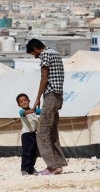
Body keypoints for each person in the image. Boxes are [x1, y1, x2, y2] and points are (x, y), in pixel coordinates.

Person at [26, 38, 67, 175]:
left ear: (36, 49)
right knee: (52, 132)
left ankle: (52, 166)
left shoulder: (45, 54)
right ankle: (58, 165)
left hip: (50, 96)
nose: (35, 56)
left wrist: (37, 99)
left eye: (33, 53)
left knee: (42, 132)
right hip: (58, 95)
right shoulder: (55, 52)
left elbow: (44, 78)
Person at [16, 93, 39, 175]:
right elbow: (25, 113)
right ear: (19, 105)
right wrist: (33, 109)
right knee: (27, 152)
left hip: (34, 134)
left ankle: (31, 168)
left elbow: (43, 111)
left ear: (29, 101)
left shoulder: (34, 111)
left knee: (34, 152)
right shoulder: (22, 111)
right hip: (26, 135)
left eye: (25, 100)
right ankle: (24, 168)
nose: (24, 102)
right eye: (21, 102)